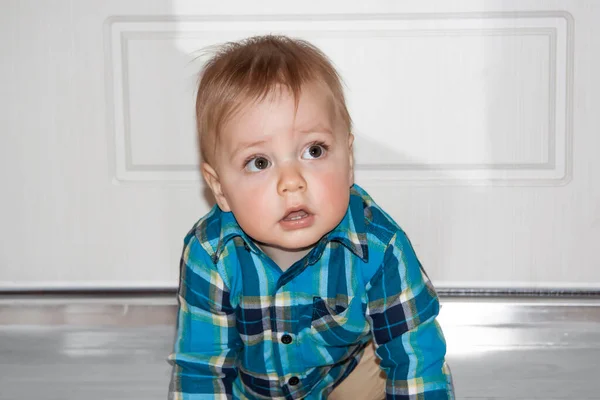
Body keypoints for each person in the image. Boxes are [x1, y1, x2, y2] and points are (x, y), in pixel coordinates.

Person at [168, 34, 454, 400]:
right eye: (259, 162)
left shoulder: (380, 246)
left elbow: (413, 355)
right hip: (253, 389)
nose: (292, 182)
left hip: (347, 376)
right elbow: (203, 370)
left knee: (401, 369)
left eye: (314, 151)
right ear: (220, 187)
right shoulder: (210, 254)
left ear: (348, 160)